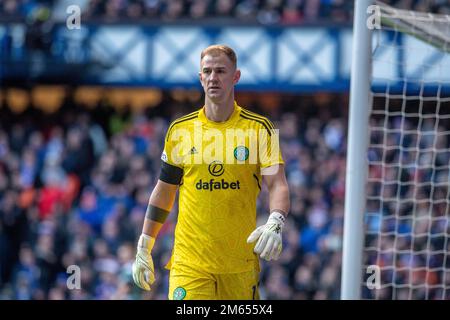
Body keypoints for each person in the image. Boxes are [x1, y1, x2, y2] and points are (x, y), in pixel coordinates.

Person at [132, 44, 290, 300]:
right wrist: (144, 244)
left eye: (221, 71)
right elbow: (164, 190)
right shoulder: (180, 130)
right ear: (200, 77)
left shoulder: (261, 129)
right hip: (190, 262)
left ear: (235, 77)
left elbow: (278, 184)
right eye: (207, 71)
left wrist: (276, 221)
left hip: (239, 263)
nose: (213, 77)